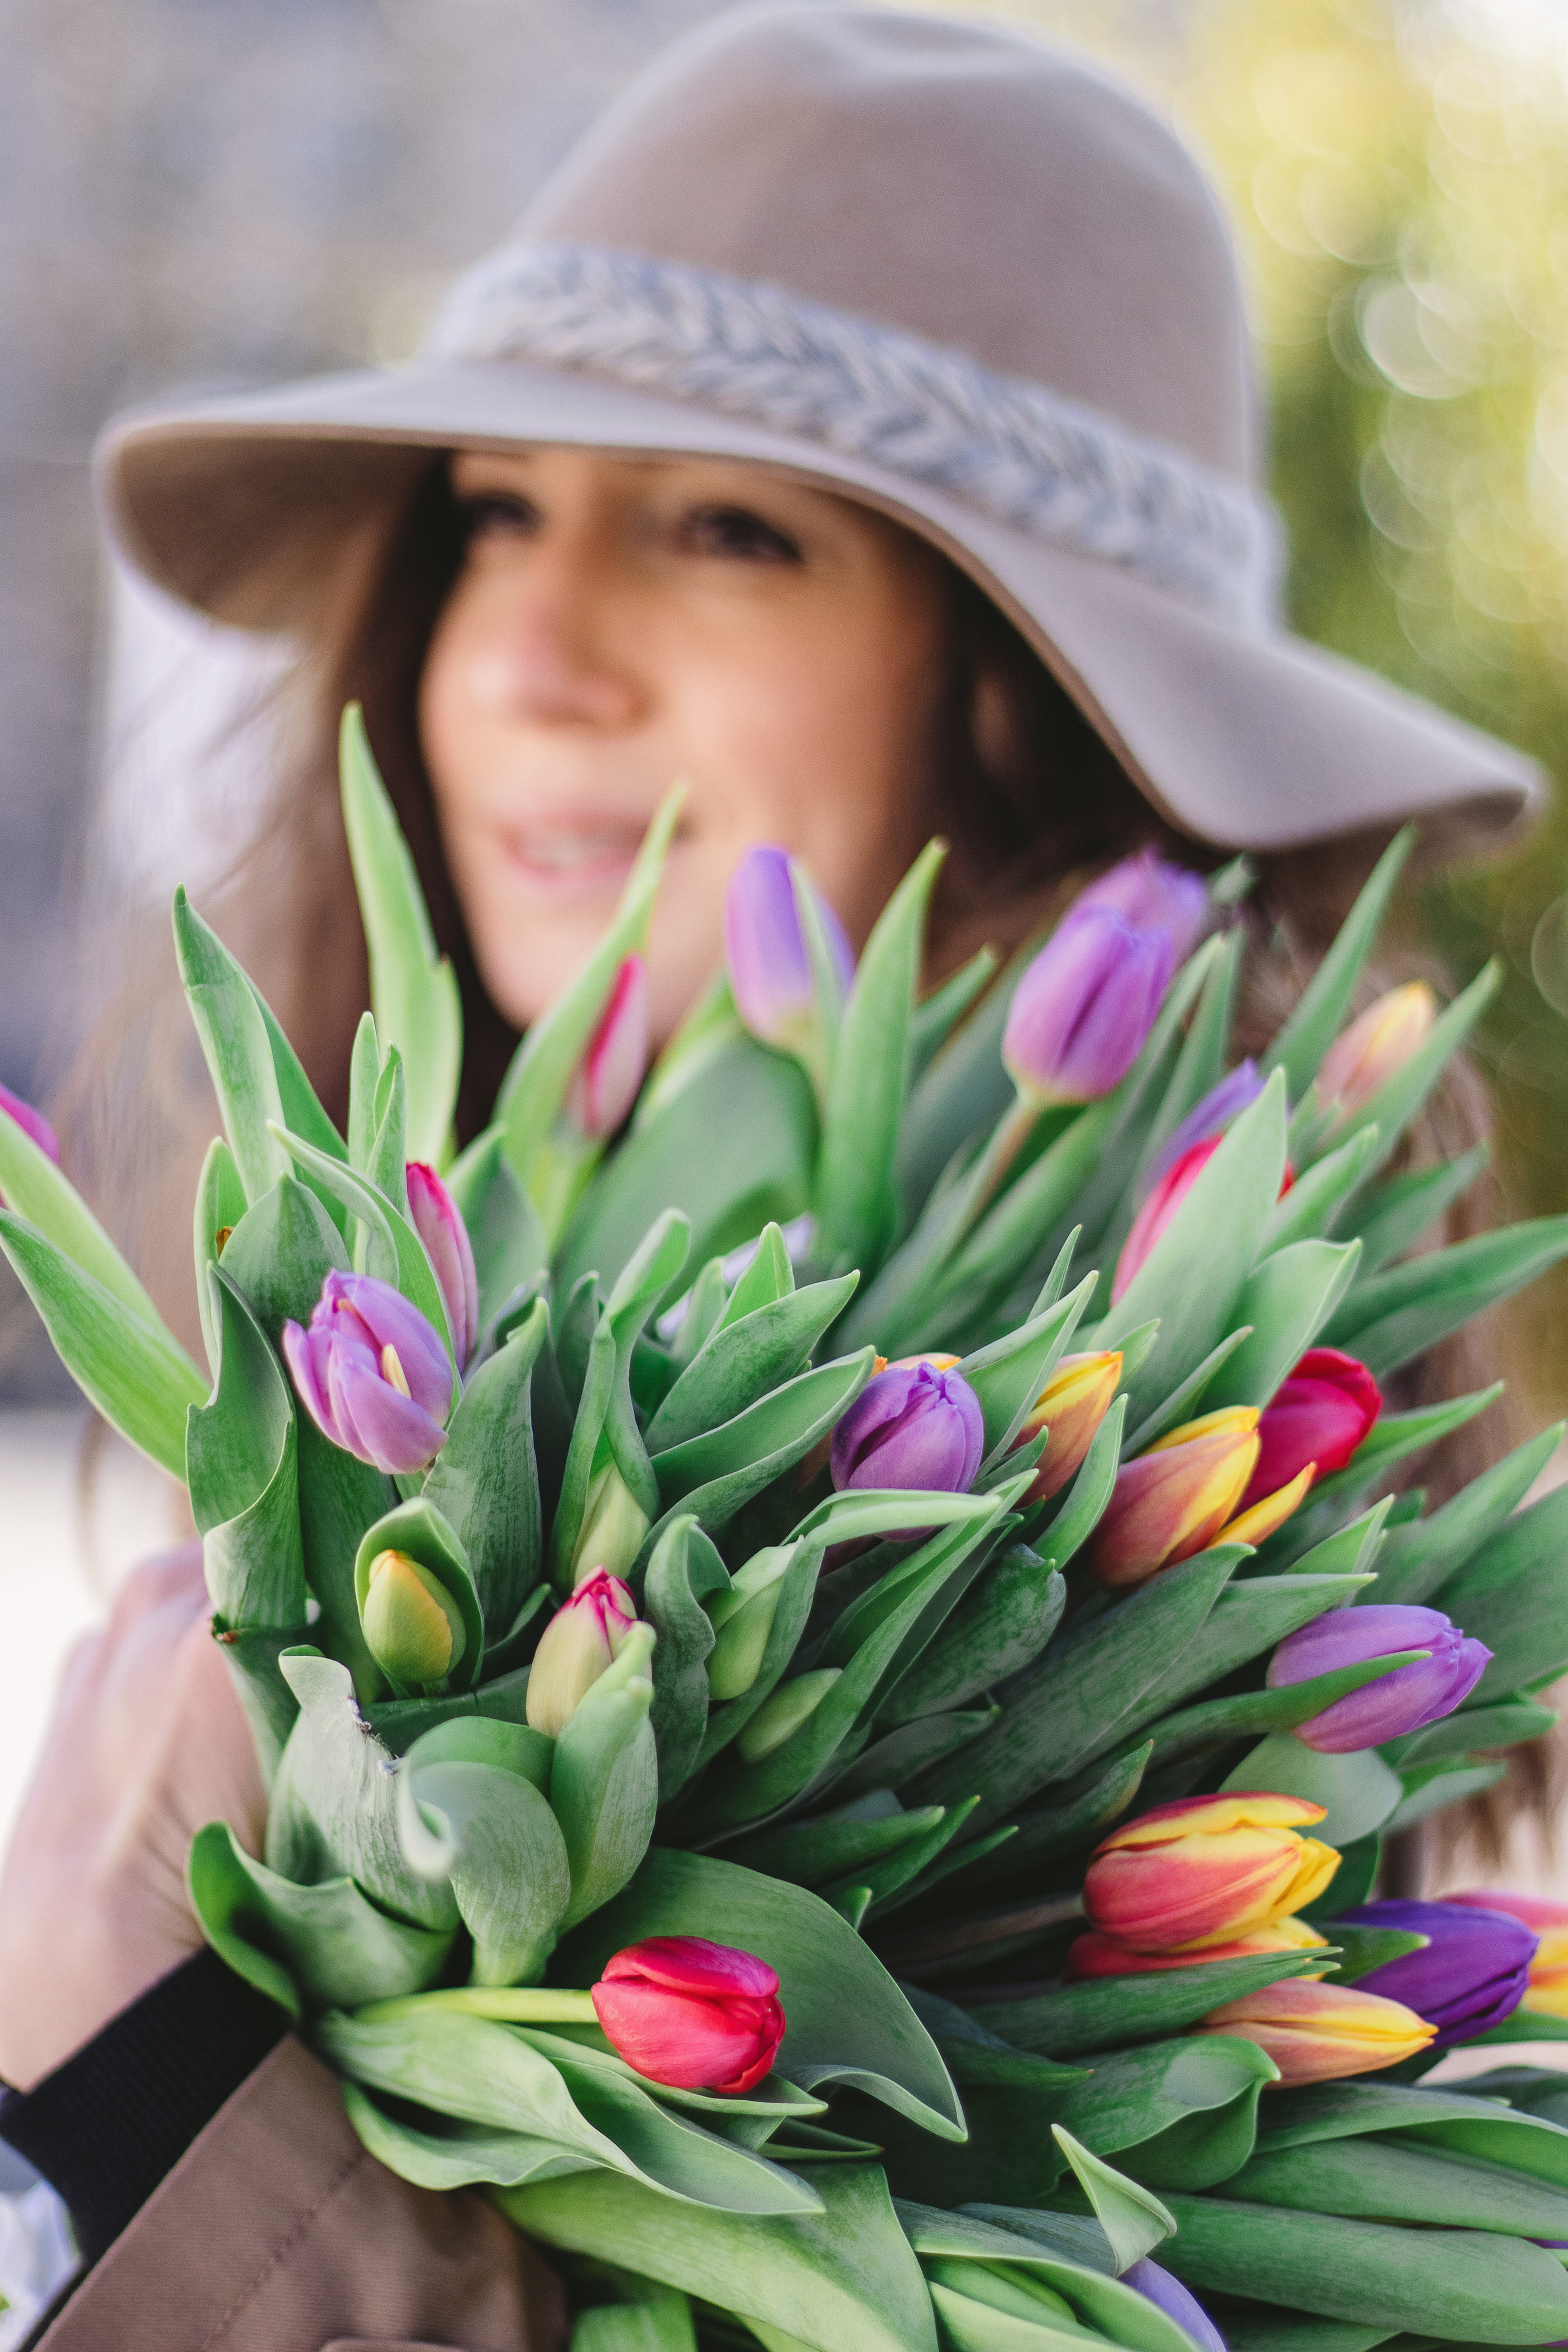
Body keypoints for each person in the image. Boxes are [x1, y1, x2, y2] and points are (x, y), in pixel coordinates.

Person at [0, 6, 1545, 2345]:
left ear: (1034, 697)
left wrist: (113, 2035)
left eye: (729, 531)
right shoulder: (425, 1340)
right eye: (496, 509)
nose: (525, 651)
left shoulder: (1122, 1589)